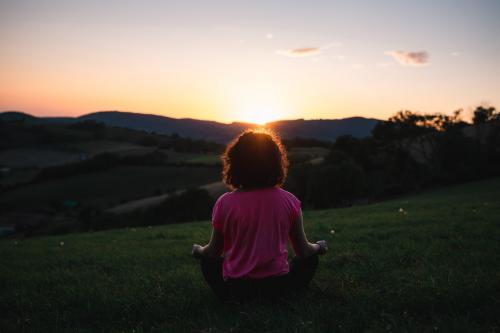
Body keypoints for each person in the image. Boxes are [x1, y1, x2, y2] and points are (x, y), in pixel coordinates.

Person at [192, 129, 327, 301]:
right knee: (310, 260)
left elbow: (213, 252)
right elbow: (303, 251)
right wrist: (319, 247)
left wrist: (198, 250)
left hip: (234, 291)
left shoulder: (224, 203)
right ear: (276, 163)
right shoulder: (289, 200)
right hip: (279, 289)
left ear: (235, 164)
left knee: (208, 262)